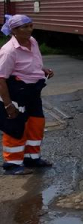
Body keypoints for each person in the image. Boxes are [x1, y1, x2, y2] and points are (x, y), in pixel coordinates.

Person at [0, 15, 55, 176]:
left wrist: (42, 70)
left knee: (36, 123)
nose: (30, 29)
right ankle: (12, 164)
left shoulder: (33, 42)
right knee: (15, 127)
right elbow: (1, 79)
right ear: (15, 30)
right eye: (26, 27)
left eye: (31, 25)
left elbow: (33, 62)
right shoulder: (9, 51)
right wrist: (8, 105)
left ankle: (32, 158)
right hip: (16, 92)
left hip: (32, 91)